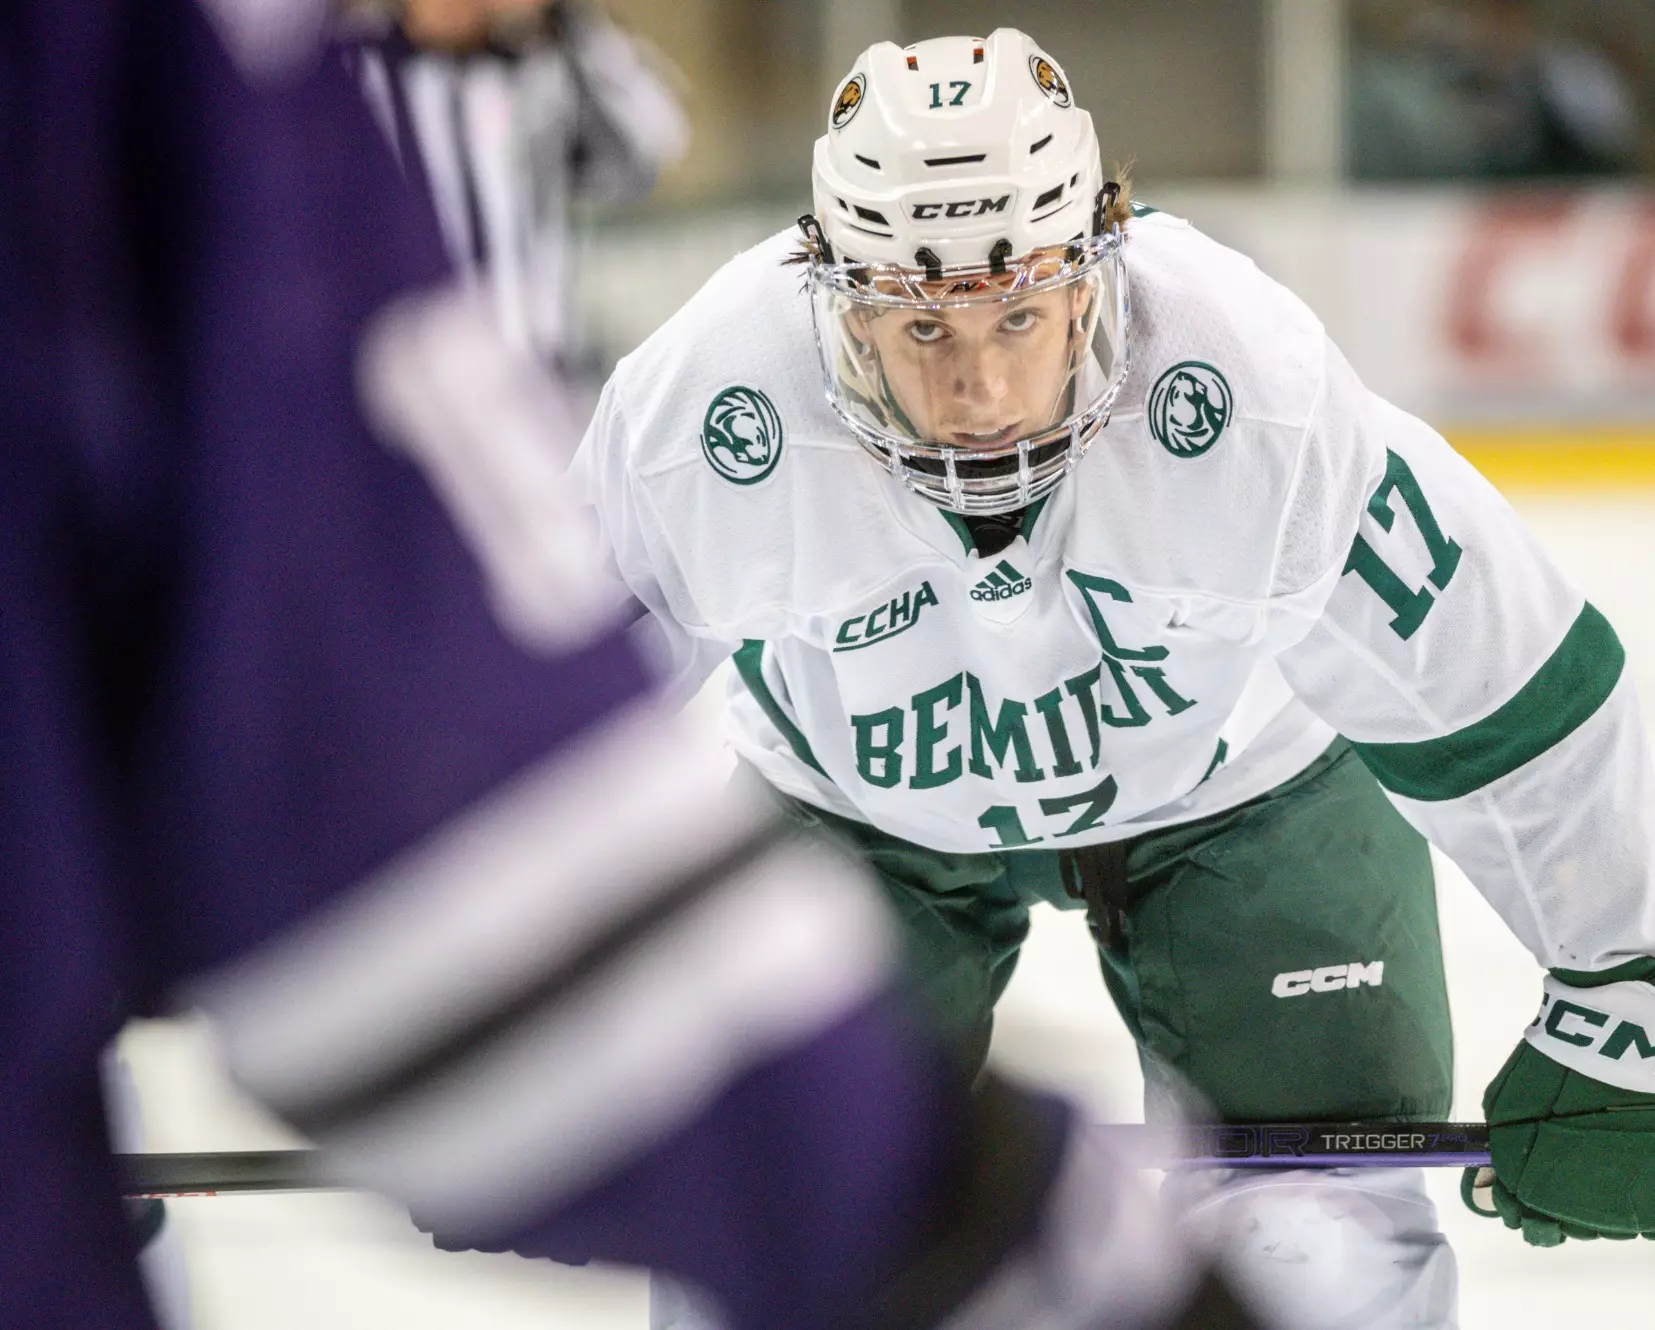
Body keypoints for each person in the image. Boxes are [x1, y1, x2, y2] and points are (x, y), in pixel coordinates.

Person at [0, 6, 1260, 1328]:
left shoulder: (497, 67)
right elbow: (381, 788)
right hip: (417, 479)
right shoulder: (185, 72)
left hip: (477, 451)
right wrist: (984, 1222)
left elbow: (640, 135)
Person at [572, 28, 1655, 1330]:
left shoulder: (1248, 380)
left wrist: (1614, 989)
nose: (975, 387)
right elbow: (527, 731)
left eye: (1017, 312)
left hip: (1243, 791)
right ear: (834, 293)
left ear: (1095, 273)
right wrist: (489, 1038)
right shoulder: (703, 415)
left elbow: (1505, 679)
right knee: (784, 1253)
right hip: (858, 819)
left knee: (1317, 1249)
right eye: (920, 323)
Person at [342, 0, 688, 376]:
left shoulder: (540, 65)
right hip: (411, 387)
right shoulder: (355, 75)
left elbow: (658, 140)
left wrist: (568, 20)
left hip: (538, 374)